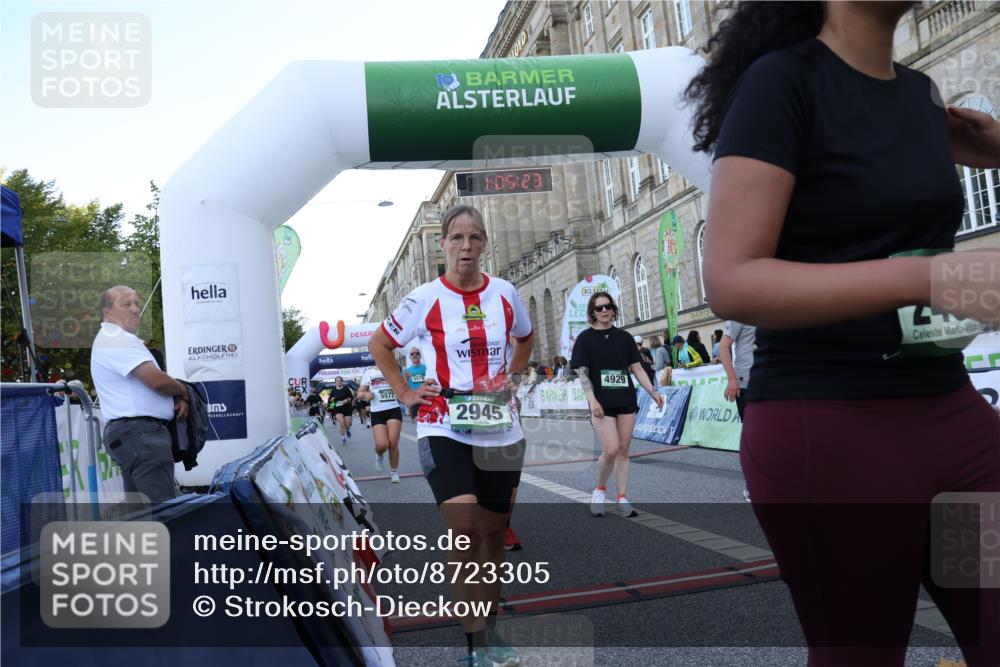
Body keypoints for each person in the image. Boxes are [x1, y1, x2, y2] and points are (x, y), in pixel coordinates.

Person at [689, 2, 1000, 664]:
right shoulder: (781, 83)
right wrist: (929, 278)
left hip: (952, 414)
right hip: (828, 427)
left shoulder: (920, 94)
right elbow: (732, 281)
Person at [368, 204, 532, 667]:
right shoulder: (424, 298)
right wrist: (405, 392)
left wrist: (515, 378)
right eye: (456, 238)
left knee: (494, 535)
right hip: (443, 424)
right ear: (443, 245)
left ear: (484, 244)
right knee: (464, 531)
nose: (466, 246)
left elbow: (525, 337)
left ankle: (491, 630)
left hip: (500, 427)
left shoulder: (505, 293)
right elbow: (380, 343)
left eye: (474, 237)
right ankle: (474, 645)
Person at [90, 286, 188, 503]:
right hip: (140, 434)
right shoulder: (116, 339)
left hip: (134, 435)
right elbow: (157, 381)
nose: (135, 309)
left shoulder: (114, 339)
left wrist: (175, 396)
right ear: (107, 312)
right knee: (164, 513)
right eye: (126, 304)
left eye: (136, 303)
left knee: (143, 513)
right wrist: (184, 391)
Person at [572, 292, 665, 518]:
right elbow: (582, 374)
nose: (604, 311)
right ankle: (600, 490)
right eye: (599, 308)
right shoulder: (585, 338)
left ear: (614, 309)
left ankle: (622, 497)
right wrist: (592, 400)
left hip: (625, 399)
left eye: (608, 306)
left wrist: (653, 391)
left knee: (624, 450)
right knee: (611, 449)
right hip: (601, 402)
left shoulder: (624, 337)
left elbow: (638, 369)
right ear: (593, 313)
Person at [358, 362, 403, 484]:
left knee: (393, 443)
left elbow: (403, 387)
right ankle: (379, 454)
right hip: (377, 412)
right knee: (382, 445)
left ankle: (394, 472)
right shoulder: (369, 373)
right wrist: (366, 394)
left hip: (393, 409)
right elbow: (359, 394)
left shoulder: (393, 368)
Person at [718, 321, 756, 421]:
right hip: (747, 383)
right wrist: (732, 380)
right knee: (753, 427)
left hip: (772, 381)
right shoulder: (740, 314)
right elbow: (724, 346)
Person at [326, 376, 355, 445]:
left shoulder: (346, 389)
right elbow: (329, 400)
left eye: (340, 380)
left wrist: (347, 400)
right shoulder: (333, 390)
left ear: (342, 381)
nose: (338, 382)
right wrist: (331, 400)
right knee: (341, 423)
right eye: (337, 381)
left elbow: (351, 397)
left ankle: (347, 430)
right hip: (337, 409)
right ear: (335, 382)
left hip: (347, 408)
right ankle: (343, 438)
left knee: (347, 425)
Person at [403, 347, 427, 423]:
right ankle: (412, 418)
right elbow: (404, 386)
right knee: (415, 420)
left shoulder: (426, 368)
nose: (414, 355)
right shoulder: (407, 371)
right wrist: (406, 379)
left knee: (425, 420)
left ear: (420, 356)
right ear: (409, 357)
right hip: (413, 398)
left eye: (417, 353)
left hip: (425, 397)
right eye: (412, 354)